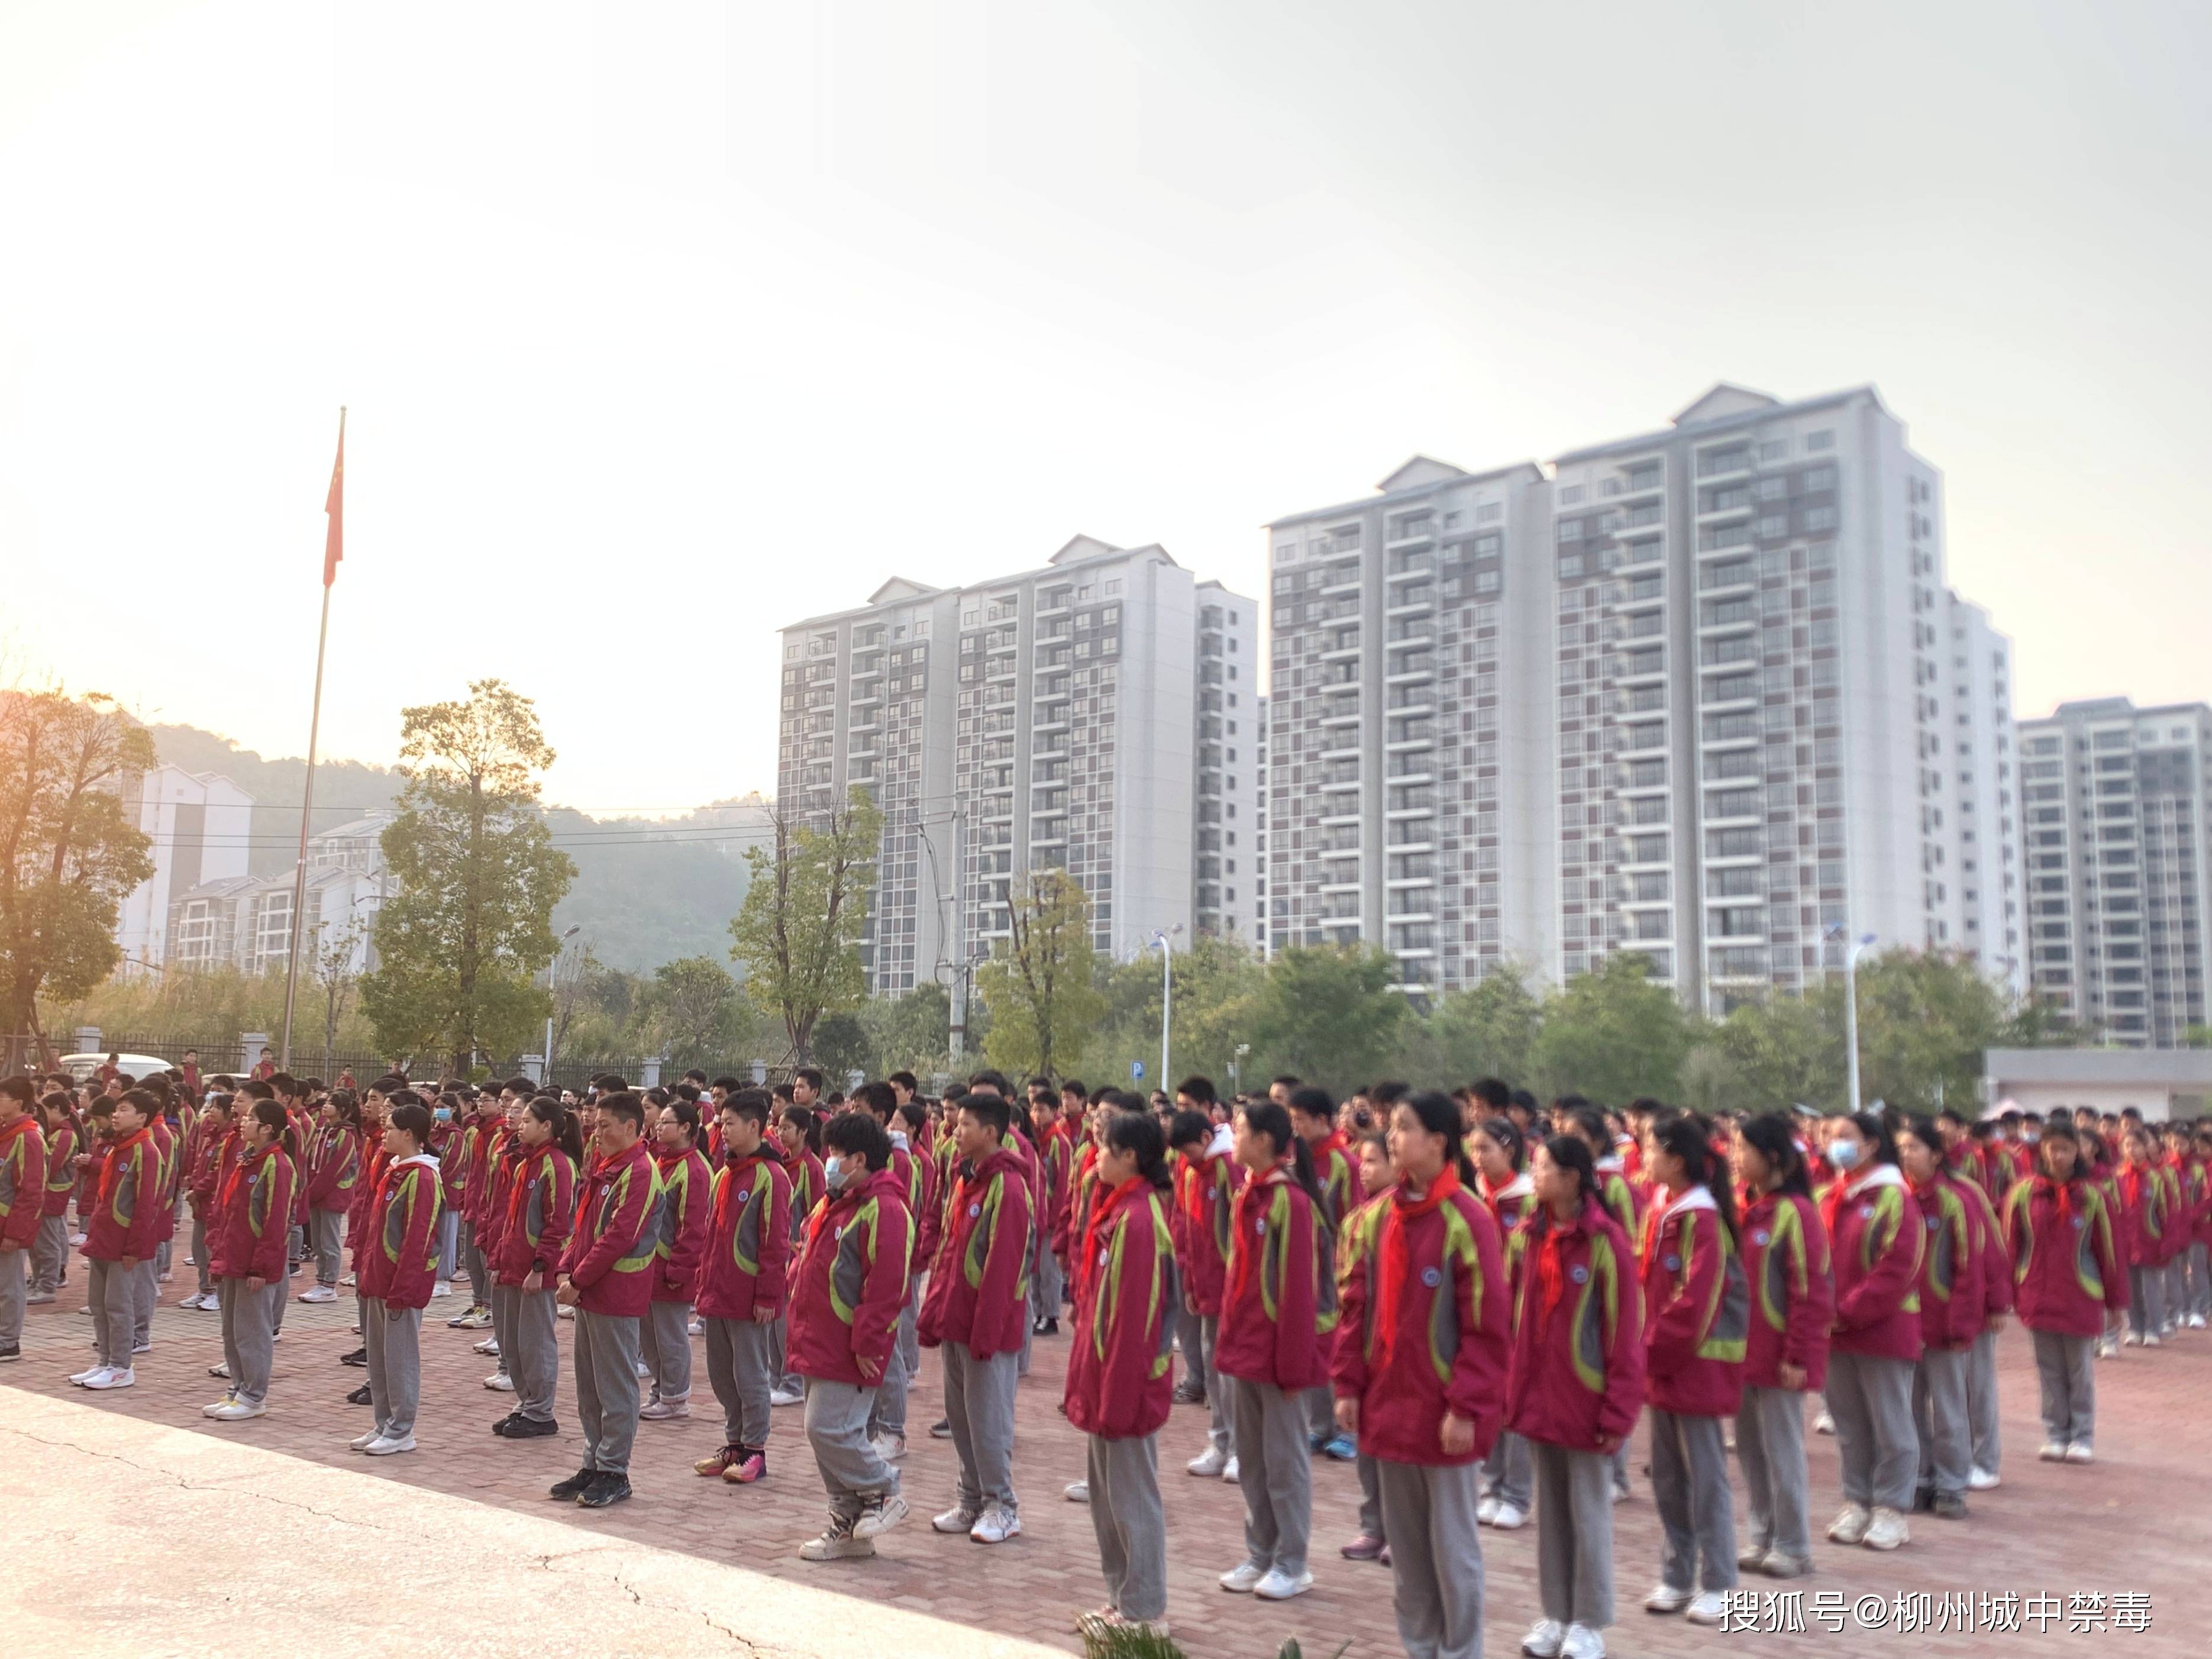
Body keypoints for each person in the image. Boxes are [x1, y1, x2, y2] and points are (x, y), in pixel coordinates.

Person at [1332, 1091, 1509, 1659]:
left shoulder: (1468, 1219)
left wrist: (1465, 1406)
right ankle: (1420, 1647)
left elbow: (1486, 1327)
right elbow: (1354, 1309)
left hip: (1442, 1415)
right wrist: (1348, 1385)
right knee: (1407, 1552)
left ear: (1438, 1141)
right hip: (1387, 1407)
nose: (1391, 1137)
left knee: (1451, 1549)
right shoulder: (1377, 1218)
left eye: (1404, 1128)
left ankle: (1460, 1650)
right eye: (1391, 1128)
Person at [1509, 1134, 1643, 1659]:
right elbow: (1508, 1320)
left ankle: (1589, 1621)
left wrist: (1617, 1408)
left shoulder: (1606, 1244)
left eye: (1542, 1167)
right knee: (1552, 1516)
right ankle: (1554, 1612)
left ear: (1571, 1178)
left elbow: (1623, 1334)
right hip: (1540, 1397)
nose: (1534, 1175)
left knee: (1588, 1514)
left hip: (1585, 1400)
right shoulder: (1525, 1237)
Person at [1067, 1109, 1180, 1638]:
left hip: (1126, 1384)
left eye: (1106, 1148)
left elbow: (1134, 1321)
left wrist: (1115, 1393)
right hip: (1104, 1377)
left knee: (1132, 1497)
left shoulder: (1138, 1222)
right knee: (1107, 1497)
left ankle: (1143, 1608)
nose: (1097, 1157)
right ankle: (1120, 1600)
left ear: (1131, 1156)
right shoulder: (1117, 1212)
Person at [787, 1108, 915, 1560]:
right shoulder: (834, 1201)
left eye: (837, 1153)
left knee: (828, 1428)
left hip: (847, 1342)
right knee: (822, 1436)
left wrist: (868, 1343)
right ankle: (846, 1525)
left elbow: (886, 1286)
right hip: (816, 1334)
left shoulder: (885, 1208)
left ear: (859, 1159)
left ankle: (883, 1488)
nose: (830, 1160)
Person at [1215, 1099, 1329, 1602]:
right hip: (1245, 1349)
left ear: (1264, 1140)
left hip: (1279, 1356)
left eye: (1239, 1130)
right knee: (1254, 1460)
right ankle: (1260, 1551)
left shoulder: (1290, 1202)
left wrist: (1292, 1364)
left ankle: (1292, 1561)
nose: (1232, 1138)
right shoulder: (1248, 1194)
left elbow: (1298, 1292)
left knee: (1285, 1462)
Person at [1637, 1113, 1747, 1624]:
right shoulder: (1664, 1209)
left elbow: (1695, 1304)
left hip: (1694, 1365)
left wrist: (1651, 1348)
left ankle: (1719, 1580)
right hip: (1662, 1363)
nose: (1644, 1155)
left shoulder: (1702, 1220)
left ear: (1676, 1159)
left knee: (1705, 1478)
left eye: (1650, 1147)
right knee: (1667, 1477)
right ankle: (1677, 1573)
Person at [918, 1091, 1034, 1543]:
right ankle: (970, 1500)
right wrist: (937, 1314)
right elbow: (951, 1253)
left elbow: (1004, 1267)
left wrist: (987, 1330)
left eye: (965, 1124)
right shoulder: (966, 1178)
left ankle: (1002, 1506)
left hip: (986, 1328)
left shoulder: (1007, 1185)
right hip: (956, 1317)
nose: (955, 1130)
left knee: (987, 1421)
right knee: (960, 1418)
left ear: (990, 1132)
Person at [1730, 1114, 1832, 1580]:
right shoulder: (1744, 1207)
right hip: (1742, 1353)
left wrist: (1797, 1356)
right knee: (1751, 1450)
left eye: (1743, 1149)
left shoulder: (1795, 1213)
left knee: (1782, 1450)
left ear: (1771, 1157)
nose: (1735, 1157)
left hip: (1778, 1356)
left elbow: (1809, 1290)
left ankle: (1793, 1544)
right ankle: (1762, 1534)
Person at [553, 1092, 664, 1509]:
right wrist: (566, 1266)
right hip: (591, 1290)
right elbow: (584, 1228)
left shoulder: (639, 1172)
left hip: (616, 1292)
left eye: (604, 1126)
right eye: (595, 1125)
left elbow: (618, 1237)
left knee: (615, 1386)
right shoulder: (608, 1168)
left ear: (631, 1128)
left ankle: (614, 1469)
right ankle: (593, 1461)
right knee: (590, 1385)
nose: (595, 1133)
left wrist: (578, 1279)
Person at [1821, 1111, 1924, 1553]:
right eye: (1829, 1136)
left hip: (1881, 1328)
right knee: (1849, 1423)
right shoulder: (1828, 1195)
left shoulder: (1894, 1197)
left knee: (1891, 1424)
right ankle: (1856, 1501)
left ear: (1871, 1145)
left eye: (1845, 1137)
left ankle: (1891, 1509)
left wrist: (1846, 1310)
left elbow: (1895, 1268)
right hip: (1834, 1330)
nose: (1834, 1144)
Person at [2003, 1118, 2126, 1463]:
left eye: (2066, 1149)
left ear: (2080, 1153)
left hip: (2080, 1294)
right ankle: (2055, 1434)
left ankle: (2082, 1436)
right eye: (2052, 1148)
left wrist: (2117, 1302)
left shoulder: (2093, 1196)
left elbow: (2108, 1251)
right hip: (2037, 1295)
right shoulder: (2024, 1193)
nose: (2058, 1155)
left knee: (2079, 1370)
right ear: (2042, 1149)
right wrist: (2005, 1294)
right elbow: (2011, 1247)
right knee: (2048, 1369)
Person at [695, 1089, 793, 1484]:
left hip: (749, 1297)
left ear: (754, 1126)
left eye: (729, 1123)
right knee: (722, 1375)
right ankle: (733, 1443)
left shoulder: (772, 1178)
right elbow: (711, 1237)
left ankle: (755, 1449)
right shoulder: (722, 1175)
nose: (722, 1130)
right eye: (720, 1122)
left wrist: (768, 1296)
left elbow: (775, 1245)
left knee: (751, 1375)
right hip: (718, 1293)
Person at [1894, 1115, 1982, 1519]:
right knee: (1909, 1408)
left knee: (1948, 1409)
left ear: (1936, 1154)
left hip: (1944, 1322)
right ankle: (1918, 1479)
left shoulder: (1954, 1201)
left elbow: (1968, 1267)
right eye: (1901, 1147)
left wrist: (1960, 1322)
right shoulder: (1895, 1198)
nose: (1905, 1154)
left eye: (1913, 1147)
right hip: (1904, 1325)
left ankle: (1951, 1485)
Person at [353, 1099, 441, 1455]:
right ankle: (383, 1423)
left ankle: (402, 1428)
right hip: (379, 1279)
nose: (383, 1132)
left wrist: (404, 1288)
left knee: (400, 1357)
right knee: (379, 1357)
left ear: (409, 1134)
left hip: (399, 1286)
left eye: (389, 1127)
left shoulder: (422, 1177)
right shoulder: (396, 1170)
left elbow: (418, 1238)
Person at [490, 1096, 580, 1439]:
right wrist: (499, 1260)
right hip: (515, 1266)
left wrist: (541, 1267)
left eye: (528, 1120)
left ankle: (542, 1411)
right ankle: (526, 1402)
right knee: (512, 1341)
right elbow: (510, 1221)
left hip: (535, 1272)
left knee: (535, 1341)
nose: (520, 1124)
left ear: (547, 1127)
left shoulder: (557, 1166)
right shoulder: (525, 1162)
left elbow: (558, 1225)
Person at [204, 1098, 299, 1419]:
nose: (243, 1122)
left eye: (250, 1118)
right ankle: (238, 1387)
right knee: (232, 1330)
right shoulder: (248, 1161)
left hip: (253, 1266)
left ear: (267, 1128)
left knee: (252, 1331)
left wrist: (262, 1267)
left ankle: (254, 1395)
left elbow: (276, 1223)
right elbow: (231, 1214)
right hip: (234, 1258)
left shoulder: (277, 1165)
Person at [1170, 1106, 1244, 1482]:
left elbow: (1241, 1233)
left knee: (1230, 1370)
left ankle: (1240, 1450)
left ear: (1205, 1138)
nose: (1186, 1160)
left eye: (1189, 1151)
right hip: (1203, 1281)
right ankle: (1220, 1442)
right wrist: (1187, 1276)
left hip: (1230, 1284)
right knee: (1212, 1363)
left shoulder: (1229, 1168)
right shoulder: (1188, 1170)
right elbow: (1182, 1221)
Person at [1290, 1082, 1362, 1460]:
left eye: (1301, 1120)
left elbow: (1352, 1222)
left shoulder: (1344, 1163)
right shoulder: (1297, 1160)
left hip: (1336, 1270)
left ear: (1323, 1121)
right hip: (1308, 1269)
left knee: (1337, 1345)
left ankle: (1347, 1430)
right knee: (1314, 1345)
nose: (1295, 1127)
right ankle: (1320, 1426)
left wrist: (1345, 1270)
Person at [1470, 1116, 1533, 1532]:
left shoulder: (1527, 1200)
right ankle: (1490, 1486)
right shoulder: (1474, 1196)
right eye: (1473, 1150)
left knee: (1518, 1408)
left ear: (1508, 1151)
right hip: (1483, 1316)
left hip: (1519, 1319)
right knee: (1488, 1403)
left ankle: (1517, 1494)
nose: (1477, 1158)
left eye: (1486, 1149)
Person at [72, 1091, 160, 1390]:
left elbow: (145, 1205)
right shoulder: (116, 1148)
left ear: (141, 1118)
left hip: (123, 1244)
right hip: (103, 1238)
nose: (116, 1114)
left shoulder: (145, 1152)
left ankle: (121, 1366)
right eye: (116, 1109)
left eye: (124, 1110)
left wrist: (135, 1248)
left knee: (119, 1306)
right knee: (99, 1304)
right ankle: (105, 1360)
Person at [640, 1099, 711, 1422]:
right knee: (651, 1335)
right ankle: (660, 1390)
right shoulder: (660, 1161)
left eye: (666, 1122)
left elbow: (693, 1227)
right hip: (649, 1264)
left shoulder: (694, 1170)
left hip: (671, 1267)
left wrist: (680, 1269)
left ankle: (675, 1395)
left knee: (670, 1335)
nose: (659, 1126)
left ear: (686, 1128)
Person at [0, 1076, 49, 1362]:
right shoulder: (6, 1133)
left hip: (8, 1228)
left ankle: (8, 1341)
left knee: (9, 1286)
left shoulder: (28, 1138)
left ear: (18, 1102)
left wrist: (15, 1234)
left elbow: (31, 1191)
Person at [299, 1089, 361, 1304]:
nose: (325, 1106)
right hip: (315, 1193)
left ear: (343, 1110)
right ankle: (320, 1281)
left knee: (329, 1241)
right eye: (325, 1102)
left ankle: (329, 1285)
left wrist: (314, 1190)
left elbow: (337, 1168)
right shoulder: (322, 1131)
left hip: (332, 1194)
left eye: (331, 1103)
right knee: (317, 1242)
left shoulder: (346, 1134)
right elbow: (311, 1161)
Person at [2116, 1124, 2170, 1347]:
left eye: (2136, 1145)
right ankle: (2135, 1328)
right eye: (2127, 1146)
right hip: (2126, 1242)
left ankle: (2153, 1328)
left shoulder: (2156, 1177)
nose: (2132, 1150)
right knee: (2131, 1288)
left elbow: (2166, 1213)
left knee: (2152, 1288)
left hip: (2150, 1240)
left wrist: (2165, 1241)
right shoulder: (2118, 1177)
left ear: (2146, 1147)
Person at [29, 1089, 82, 1306]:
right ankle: (38, 1280)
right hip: (45, 1194)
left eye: (44, 1110)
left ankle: (47, 1285)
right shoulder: (56, 1132)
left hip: (53, 1195)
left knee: (47, 1243)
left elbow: (50, 1166)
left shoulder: (65, 1135)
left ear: (56, 1110)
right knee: (36, 1242)